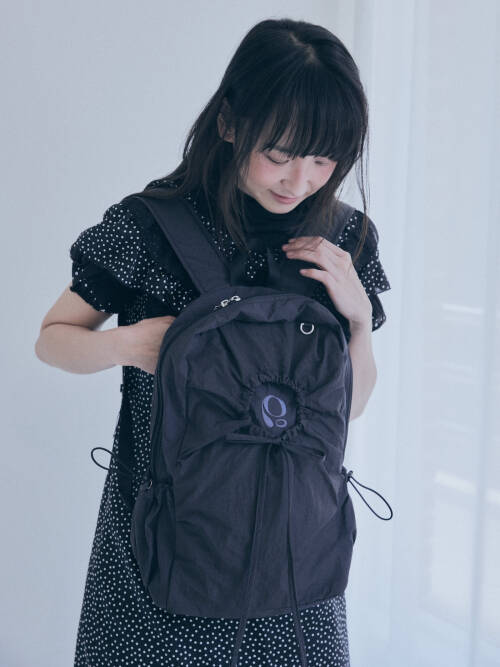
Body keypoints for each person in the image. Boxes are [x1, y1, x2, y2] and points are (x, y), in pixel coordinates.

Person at [35, 17, 391, 667]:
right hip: (160, 555)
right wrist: (130, 345)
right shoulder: (149, 227)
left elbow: (353, 406)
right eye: (279, 153)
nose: (299, 180)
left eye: (323, 159)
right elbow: (52, 341)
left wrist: (361, 320)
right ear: (229, 123)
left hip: (295, 564)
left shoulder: (345, 240)